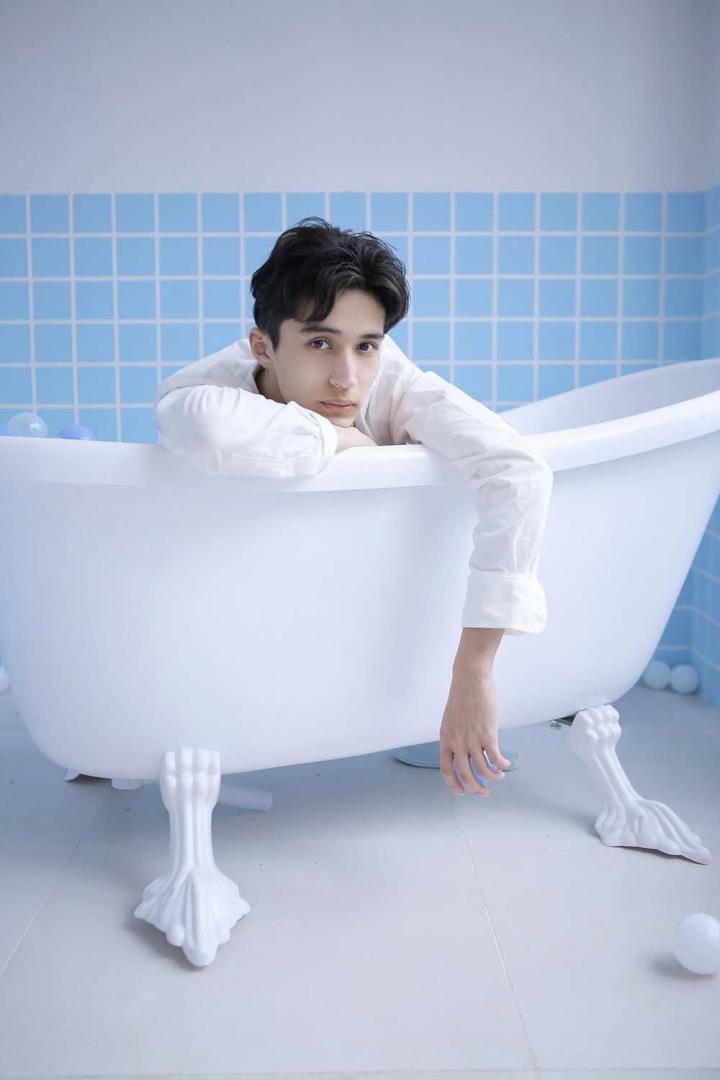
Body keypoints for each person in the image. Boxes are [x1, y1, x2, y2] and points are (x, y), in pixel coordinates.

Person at [154, 217, 554, 799]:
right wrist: (346, 441)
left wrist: (475, 669)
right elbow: (206, 429)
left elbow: (518, 469)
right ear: (263, 346)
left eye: (366, 346)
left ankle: (407, 708)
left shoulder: (394, 381)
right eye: (320, 343)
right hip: (253, 630)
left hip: (374, 617)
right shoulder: (211, 389)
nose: (347, 378)